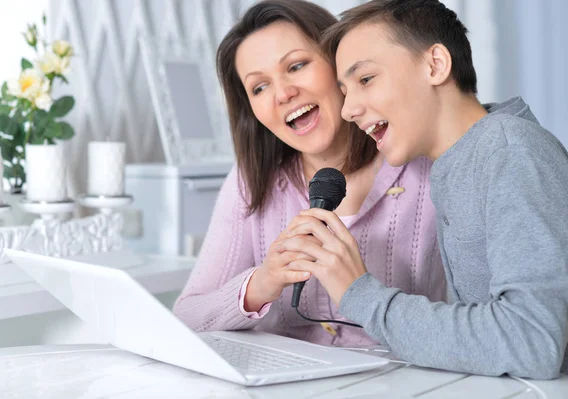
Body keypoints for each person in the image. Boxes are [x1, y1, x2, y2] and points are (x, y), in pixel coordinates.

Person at [280, 0, 568, 378]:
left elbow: (531, 342)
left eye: (365, 79)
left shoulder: (508, 152)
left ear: (435, 65)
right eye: (345, 91)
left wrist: (359, 293)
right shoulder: (461, 160)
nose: (348, 109)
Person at [172, 0, 446, 347]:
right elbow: (186, 317)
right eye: (259, 87)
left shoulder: (425, 166)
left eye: (297, 66)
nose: (283, 93)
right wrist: (262, 282)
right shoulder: (251, 182)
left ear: (339, 62)